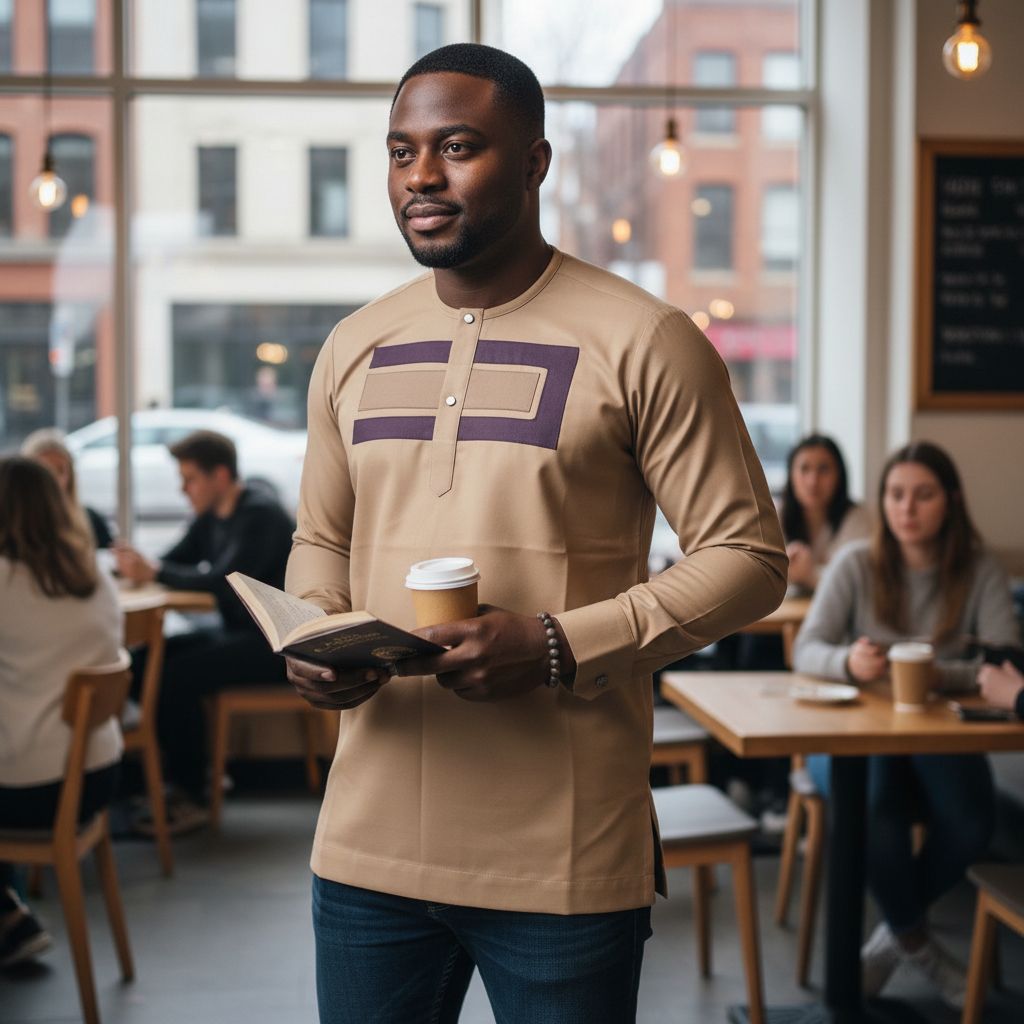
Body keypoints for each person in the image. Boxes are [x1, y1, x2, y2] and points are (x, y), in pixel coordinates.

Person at [283, 43, 787, 1024]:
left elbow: (747, 559)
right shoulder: (353, 345)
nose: (420, 177)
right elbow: (321, 541)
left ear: (535, 161)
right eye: (400, 152)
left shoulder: (646, 339)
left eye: (457, 146)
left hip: (562, 856)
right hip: (364, 850)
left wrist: (561, 642)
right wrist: (314, 629)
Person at [793, 441, 1019, 1008]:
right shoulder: (855, 563)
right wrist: (848, 662)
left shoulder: (979, 567)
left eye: (923, 495)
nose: (906, 509)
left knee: (972, 819)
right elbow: (807, 648)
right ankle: (915, 939)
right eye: (896, 494)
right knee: (873, 812)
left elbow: (1004, 663)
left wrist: (931, 674)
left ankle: (897, 934)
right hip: (850, 732)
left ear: (952, 501)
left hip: (936, 732)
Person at [114, 430, 294, 832]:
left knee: (173, 677)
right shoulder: (211, 518)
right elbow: (172, 561)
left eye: (190, 478)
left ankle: (193, 794)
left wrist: (156, 572)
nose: (183, 489)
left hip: (273, 645)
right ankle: (175, 781)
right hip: (238, 635)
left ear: (221, 475)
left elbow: (222, 581)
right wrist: (131, 566)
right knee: (141, 664)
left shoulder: (260, 515)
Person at [0, 457, 123, 968]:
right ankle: (10, 917)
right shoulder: (94, 574)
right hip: (98, 775)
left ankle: (9, 917)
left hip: (35, 790)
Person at [779, 433, 871, 593]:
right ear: (791, 475)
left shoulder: (858, 518)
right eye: (804, 469)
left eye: (824, 469)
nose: (813, 481)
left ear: (839, 476)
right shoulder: (774, 515)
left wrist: (810, 575)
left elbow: (856, 582)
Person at [21, 427, 113, 549]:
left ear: (71, 474)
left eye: (60, 470)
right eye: (45, 471)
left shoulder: (91, 521)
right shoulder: (13, 526)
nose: (53, 479)